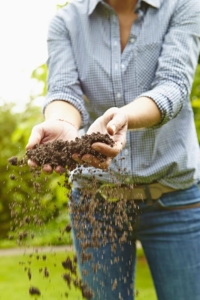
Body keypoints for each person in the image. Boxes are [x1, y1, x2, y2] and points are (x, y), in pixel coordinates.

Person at [26, 0, 200, 299]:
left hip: (174, 199)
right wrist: (61, 124)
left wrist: (124, 118)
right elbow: (63, 90)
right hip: (95, 203)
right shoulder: (66, 21)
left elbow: (173, 84)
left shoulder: (183, 6)